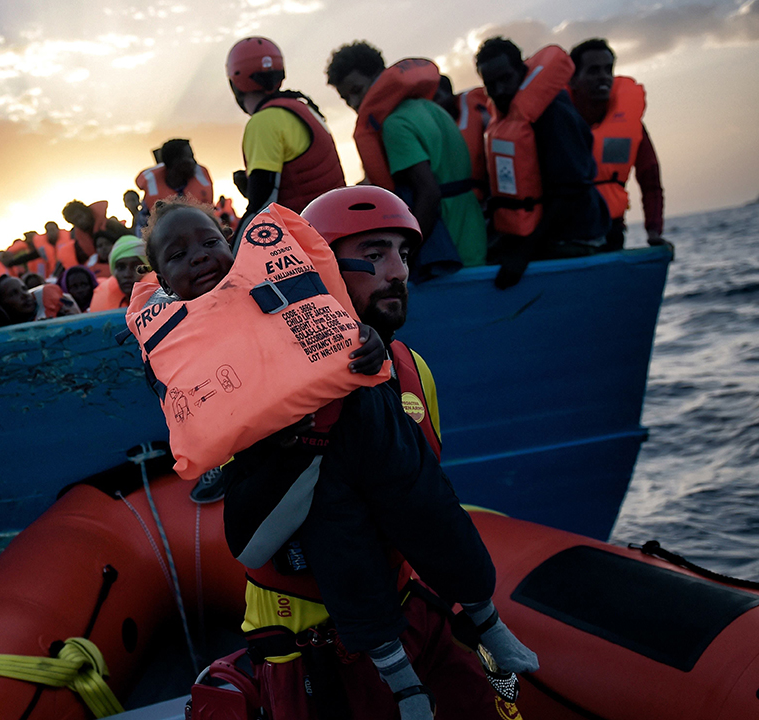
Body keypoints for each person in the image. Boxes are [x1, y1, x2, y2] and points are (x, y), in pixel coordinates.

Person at [143, 195, 536, 719]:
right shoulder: (207, 357)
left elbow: (423, 499)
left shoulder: (410, 370)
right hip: (309, 643)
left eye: (403, 254)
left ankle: (485, 622)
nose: (398, 272)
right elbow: (252, 541)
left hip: (411, 609)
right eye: (374, 255)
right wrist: (302, 442)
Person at [326, 42, 486, 276]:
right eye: (346, 98)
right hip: (474, 234)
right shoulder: (430, 108)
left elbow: (429, 194)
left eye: (357, 90)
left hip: (450, 249)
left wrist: (401, 259)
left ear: (380, 77)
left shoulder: (395, 125)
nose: (354, 103)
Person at [476, 37, 610, 289]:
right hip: (544, 236)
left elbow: (570, 193)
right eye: (491, 84)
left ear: (522, 71)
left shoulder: (552, 113)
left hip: (574, 238)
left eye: (505, 78)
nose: (500, 89)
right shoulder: (508, 116)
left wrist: (523, 255)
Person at [227, 36, 346, 234]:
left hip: (308, 244)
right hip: (339, 228)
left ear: (235, 84)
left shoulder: (264, 122)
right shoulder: (304, 108)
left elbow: (262, 210)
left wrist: (231, 256)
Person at [569, 38, 666, 250]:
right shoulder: (557, 123)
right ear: (573, 80)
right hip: (564, 234)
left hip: (611, 230)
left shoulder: (630, 126)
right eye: (593, 70)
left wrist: (653, 232)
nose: (603, 76)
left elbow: (650, 182)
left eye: (608, 69)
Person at [135, 138, 214, 212]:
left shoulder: (201, 178)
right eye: (190, 157)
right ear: (176, 163)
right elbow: (143, 224)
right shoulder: (152, 198)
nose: (195, 162)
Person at [0, 275, 78, 325]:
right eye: (13, 293)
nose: (24, 295)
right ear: (0, 304)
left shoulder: (59, 315)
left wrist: (72, 320)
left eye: (24, 289)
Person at [88, 236, 147, 311]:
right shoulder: (102, 306)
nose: (127, 274)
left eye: (136, 267)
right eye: (121, 268)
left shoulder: (164, 299)